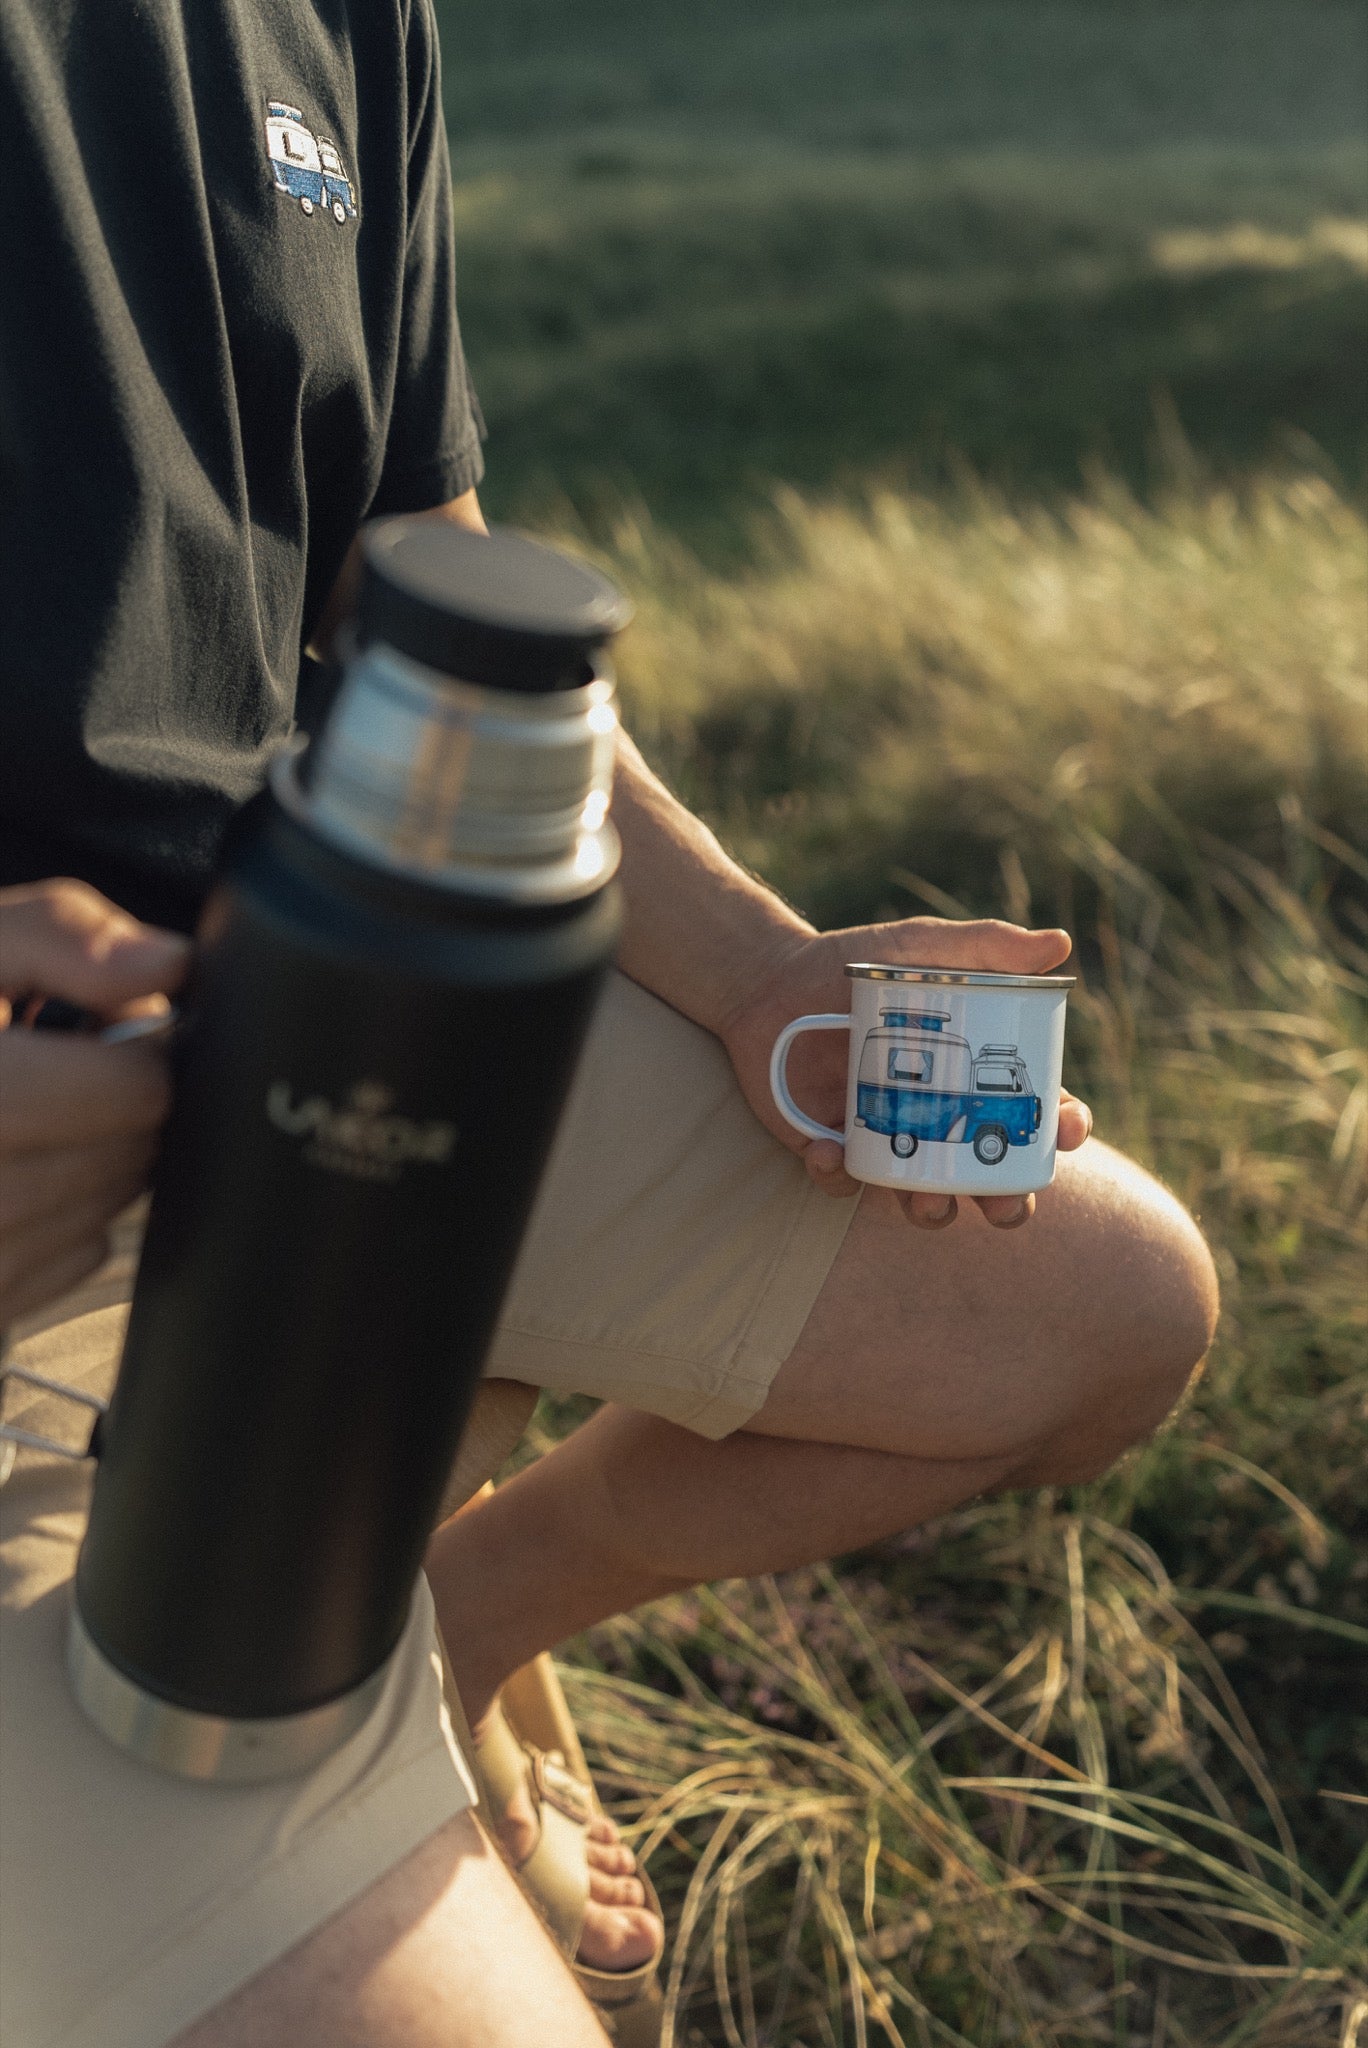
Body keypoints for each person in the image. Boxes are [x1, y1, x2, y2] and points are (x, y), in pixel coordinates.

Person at [0, 0, 1221, 2042]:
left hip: (352, 993)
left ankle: (446, 1618)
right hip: (33, 1157)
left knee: (1103, 1308)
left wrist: (755, 974)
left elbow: (410, 559)